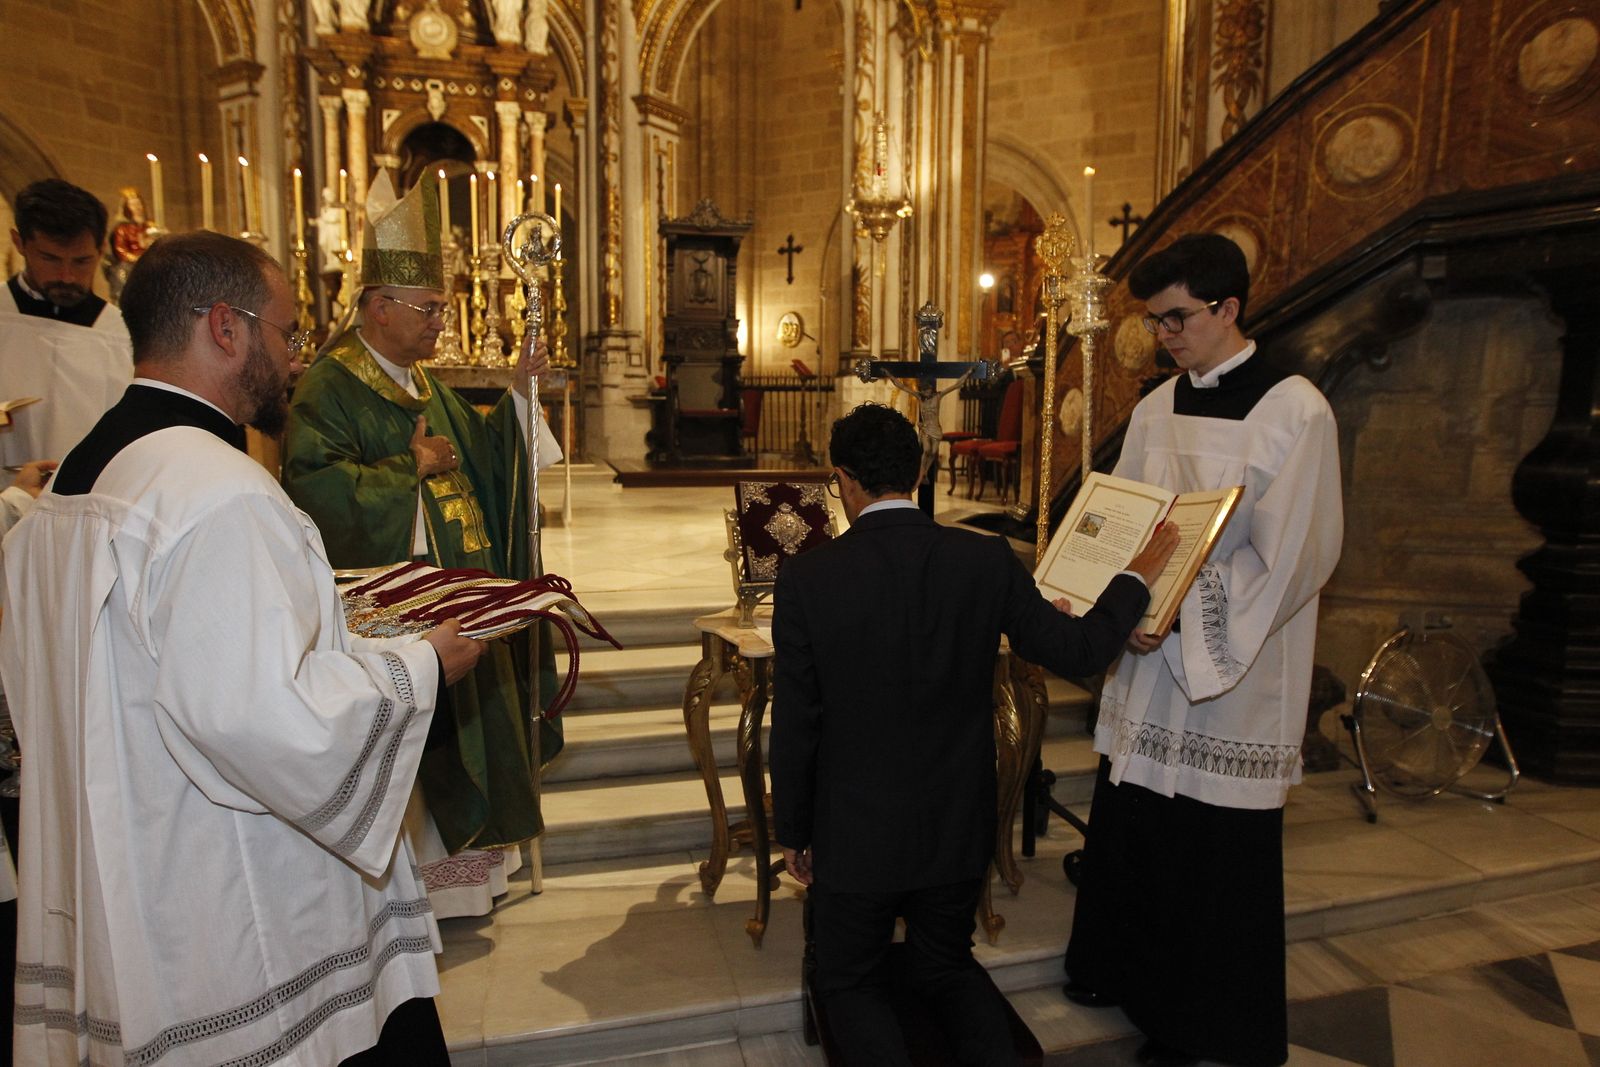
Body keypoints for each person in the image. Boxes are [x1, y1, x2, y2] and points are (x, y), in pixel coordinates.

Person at [0, 230, 487, 1065]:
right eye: (287, 332)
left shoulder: (77, 476)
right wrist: (421, 666)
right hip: (230, 911)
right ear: (225, 327)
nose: (295, 358)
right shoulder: (218, 491)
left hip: (128, 881)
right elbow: (268, 718)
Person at [771, 403, 1178, 1067]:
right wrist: (1135, 578)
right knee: (945, 966)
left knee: (850, 981)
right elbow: (1078, 648)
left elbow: (797, 722)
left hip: (855, 829)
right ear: (921, 470)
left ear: (842, 479)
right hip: (957, 822)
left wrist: (795, 830)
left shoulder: (809, 578)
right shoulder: (984, 559)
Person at [1062, 233, 1344, 1067]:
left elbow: (1296, 555)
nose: (1163, 337)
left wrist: (1186, 613)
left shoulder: (1296, 411)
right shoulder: (1157, 407)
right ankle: (1114, 969)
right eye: (1155, 321)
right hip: (1149, 654)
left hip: (1232, 669)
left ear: (1229, 308)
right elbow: (1124, 517)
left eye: (1176, 318)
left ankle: (1198, 1025)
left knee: (1209, 852)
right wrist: (1112, 602)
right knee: (1139, 823)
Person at [282, 171, 564, 919]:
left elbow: (482, 454)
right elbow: (311, 490)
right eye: (430, 308)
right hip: (393, 617)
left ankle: (473, 880)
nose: (443, 320)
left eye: (443, 307)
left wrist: (516, 393)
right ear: (380, 307)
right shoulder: (328, 387)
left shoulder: (422, 382)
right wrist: (408, 469)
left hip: (454, 599)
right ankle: (420, 897)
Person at [1, 178, 133, 468]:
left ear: (101, 249)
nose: (67, 276)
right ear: (19, 243)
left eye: (81, 261)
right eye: (50, 259)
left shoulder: (123, 333)